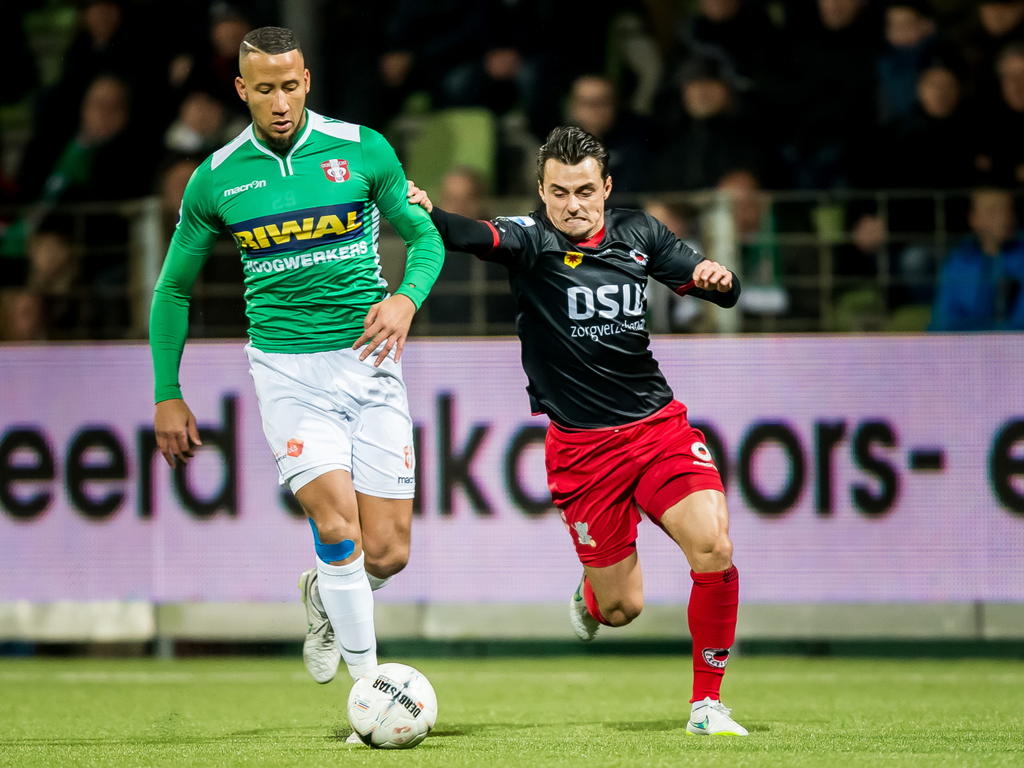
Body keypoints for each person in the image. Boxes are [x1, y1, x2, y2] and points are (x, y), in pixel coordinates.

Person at [148, 26, 444, 731]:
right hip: (287, 371)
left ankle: (323, 592)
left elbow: (426, 237)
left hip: (369, 364)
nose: (279, 102)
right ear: (241, 89)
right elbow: (172, 291)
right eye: (264, 88)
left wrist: (405, 299)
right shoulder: (217, 177)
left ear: (306, 80)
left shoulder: (362, 148)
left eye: (290, 86)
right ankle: (369, 695)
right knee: (335, 520)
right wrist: (167, 390)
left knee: (390, 552)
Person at [408, 126, 748, 736]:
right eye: (559, 192)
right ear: (541, 191)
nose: (572, 204)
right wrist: (432, 212)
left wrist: (717, 278)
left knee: (714, 546)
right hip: (583, 452)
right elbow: (471, 235)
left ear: (606, 187)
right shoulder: (530, 241)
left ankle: (707, 705)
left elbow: (705, 282)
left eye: (585, 190)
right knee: (621, 608)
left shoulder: (638, 233)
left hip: (656, 429)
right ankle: (592, 596)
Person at [930, 188, 1024, 330]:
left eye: (1008, 210)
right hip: (964, 346)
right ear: (973, 219)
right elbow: (943, 321)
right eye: (992, 211)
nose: (1003, 218)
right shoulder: (958, 263)